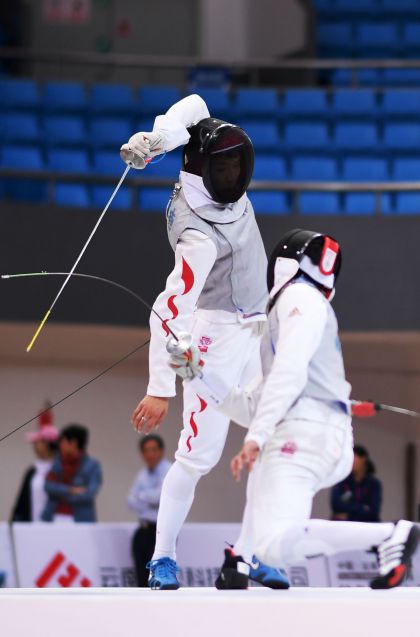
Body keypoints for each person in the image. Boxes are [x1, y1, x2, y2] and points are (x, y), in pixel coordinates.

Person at [168, 228, 419, 590]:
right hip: (316, 437)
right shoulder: (295, 309)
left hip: (307, 433)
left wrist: (257, 437)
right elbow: (253, 406)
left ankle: (389, 536)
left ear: (285, 264)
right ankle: (242, 556)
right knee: (273, 543)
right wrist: (195, 374)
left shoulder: (299, 297)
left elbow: (290, 369)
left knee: (273, 544)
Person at [123, 94, 287, 590]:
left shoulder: (205, 153)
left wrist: (159, 139)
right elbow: (170, 309)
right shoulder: (196, 237)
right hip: (214, 339)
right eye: (224, 168)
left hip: (260, 329)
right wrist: (160, 388)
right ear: (201, 171)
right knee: (198, 457)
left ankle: (253, 553)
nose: (233, 175)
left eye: (238, 165)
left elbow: (194, 103)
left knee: (274, 441)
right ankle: (162, 558)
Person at [128, 435, 171, 586]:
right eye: (146, 450)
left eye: (154, 450)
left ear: (162, 451)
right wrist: (150, 499)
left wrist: (142, 496)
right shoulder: (142, 474)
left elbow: (161, 497)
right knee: (141, 578)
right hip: (143, 528)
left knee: (160, 577)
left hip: (161, 531)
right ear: (142, 454)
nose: (150, 454)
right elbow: (131, 502)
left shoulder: (169, 470)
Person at [42, 424, 102, 523]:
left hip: (81, 519)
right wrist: (70, 490)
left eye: (63, 442)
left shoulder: (92, 466)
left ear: (73, 443)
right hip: (53, 517)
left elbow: (89, 493)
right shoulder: (58, 462)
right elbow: (47, 486)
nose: (60, 445)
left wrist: (59, 494)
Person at [11, 402, 59, 522]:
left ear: (48, 443)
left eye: (39, 442)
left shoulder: (60, 469)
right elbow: (22, 503)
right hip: (33, 526)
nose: (35, 445)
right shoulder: (32, 471)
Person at [331, 444, 382, 522]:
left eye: (353, 458)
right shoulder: (342, 481)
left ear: (363, 459)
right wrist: (362, 508)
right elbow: (336, 505)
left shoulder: (373, 484)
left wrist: (348, 513)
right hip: (344, 525)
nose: (350, 462)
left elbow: (374, 511)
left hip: (367, 525)